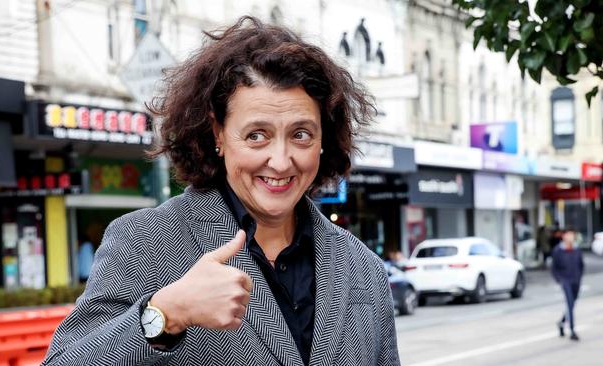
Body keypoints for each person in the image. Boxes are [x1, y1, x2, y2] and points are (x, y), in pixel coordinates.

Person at [43, 16, 400, 366]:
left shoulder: (362, 266)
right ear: (218, 134)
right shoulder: (144, 241)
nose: (280, 161)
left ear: (324, 138)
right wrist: (165, 314)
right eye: (256, 135)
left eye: (300, 134)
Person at [551, 227, 584, 341]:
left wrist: (579, 278)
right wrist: (559, 279)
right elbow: (554, 268)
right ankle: (572, 330)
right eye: (568, 234)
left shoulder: (577, 250)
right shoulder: (558, 250)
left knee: (572, 304)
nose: (570, 237)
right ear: (563, 236)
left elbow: (581, 265)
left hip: (576, 281)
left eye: (572, 234)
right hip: (565, 281)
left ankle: (561, 323)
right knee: (569, 304)